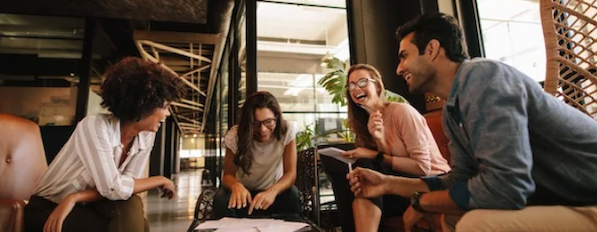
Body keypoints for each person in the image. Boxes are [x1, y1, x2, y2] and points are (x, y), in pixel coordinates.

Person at [347, 13, 597, 232]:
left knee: (474, 224)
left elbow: (505, 187)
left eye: (404, 56)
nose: (399, 69)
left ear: (432, 49)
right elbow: (459, 180)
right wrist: (387, 184)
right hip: (565, 199)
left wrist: (421, 202)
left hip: (588, 198)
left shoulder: (483, 77)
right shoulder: (453, 111)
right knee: (458, 218)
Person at [24, 57, 185, 232]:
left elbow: (124, 189)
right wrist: (159, 180)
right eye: (165, 107)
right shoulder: (95, 126)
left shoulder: (145, 137)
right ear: (144, 105)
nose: (167, 114)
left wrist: (74, 197)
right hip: (49, 208)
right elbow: (113, 188)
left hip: (84, 203)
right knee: (134, 224)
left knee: (130, 204)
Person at [327, 64, 450, 232]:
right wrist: (379, 140)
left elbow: (422, 167)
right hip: (394, 185)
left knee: (364, 169)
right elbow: (383, 167)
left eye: (362, 82)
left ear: (377, 86)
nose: (356, 89)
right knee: (353, 178)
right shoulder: (364, 124)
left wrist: (374, 154)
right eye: (352, 85)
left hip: (430, 183)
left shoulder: (402, 112)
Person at [214, 91, 300, 218]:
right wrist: (236, 186)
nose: (262, 129)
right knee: (221, 199)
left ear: (276, 117)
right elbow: (227, 175)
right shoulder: (235, 135)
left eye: (268, 121)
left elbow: (290, 173)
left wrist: (273, 190)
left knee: (292, 194)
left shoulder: (286, 130)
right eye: (255, 123)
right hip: (243, 197)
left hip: (272, 195)